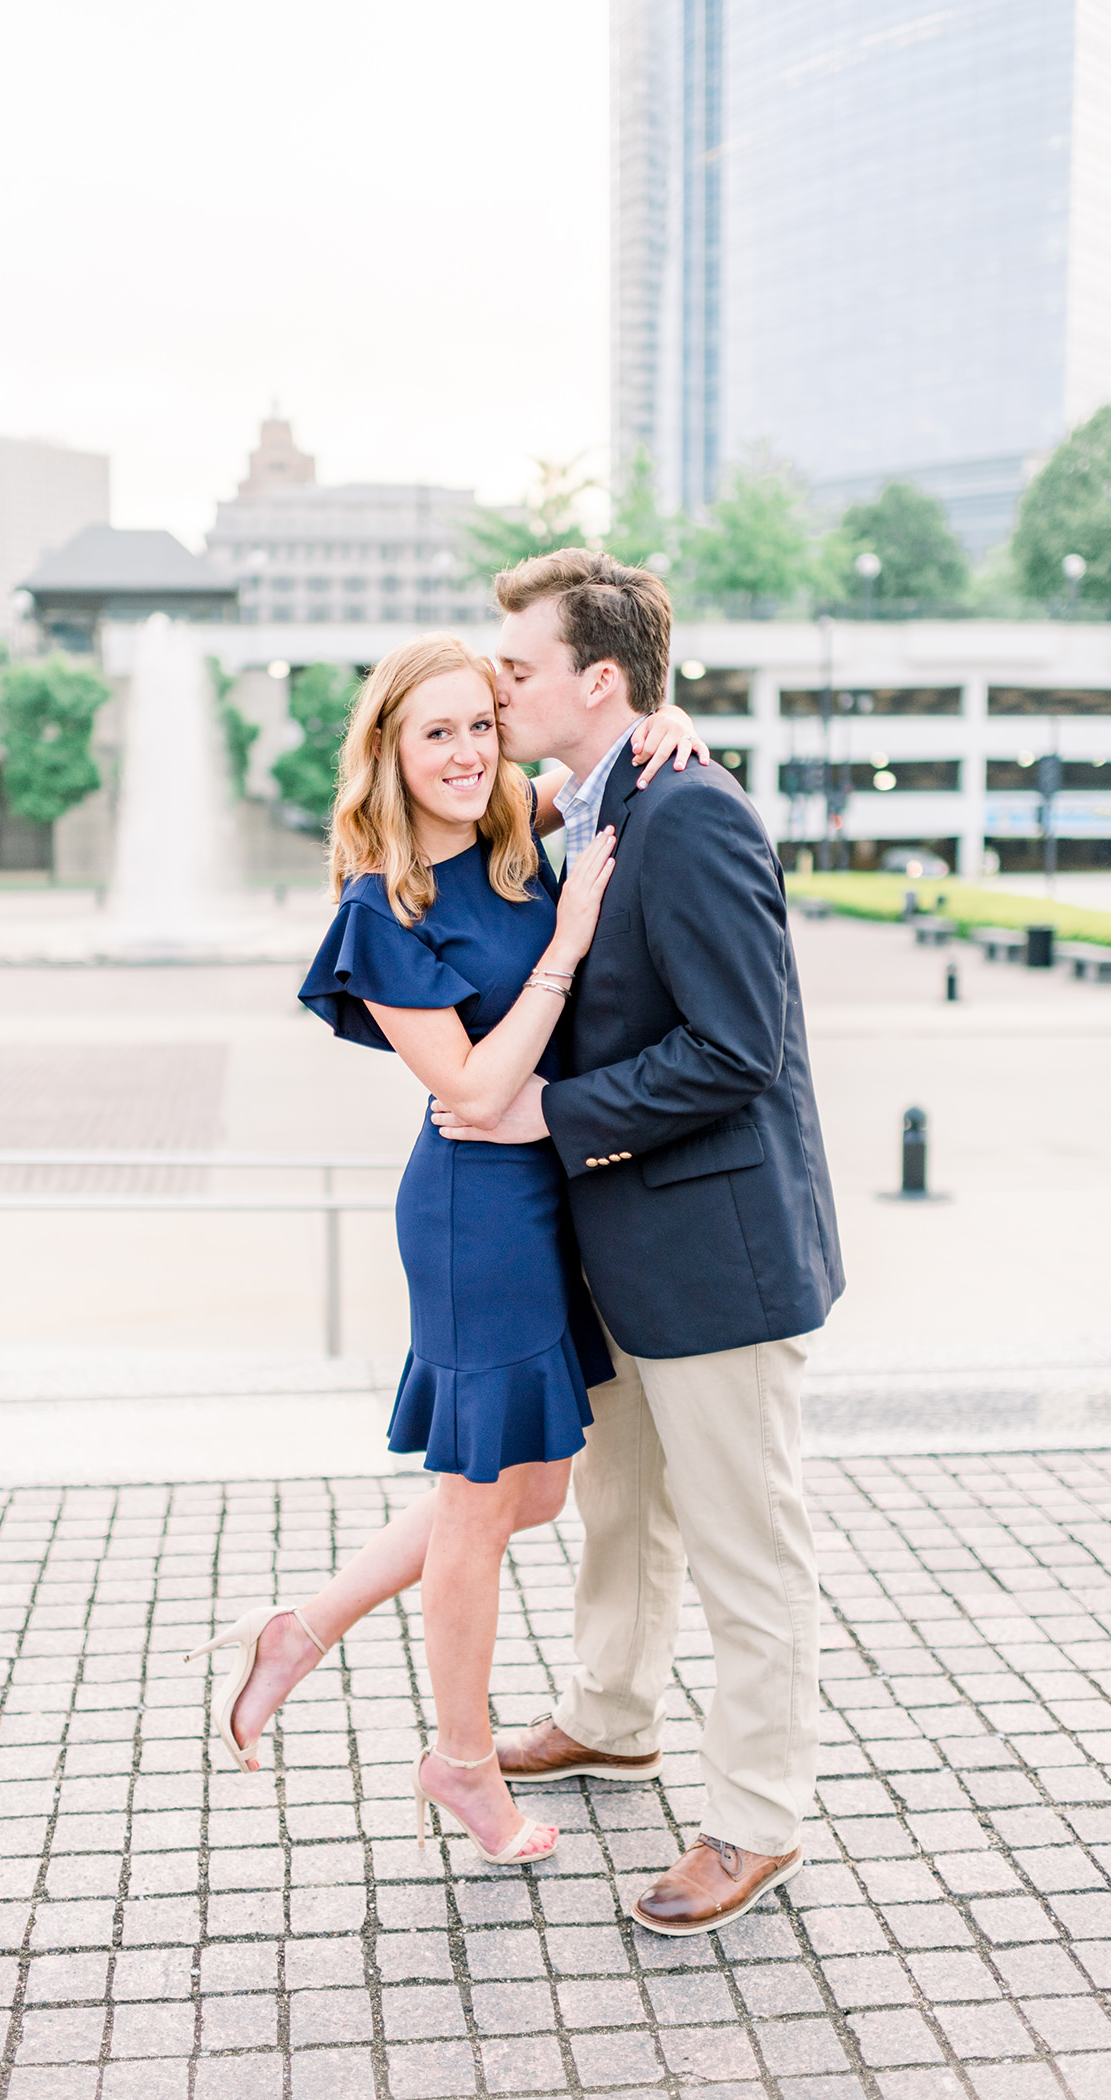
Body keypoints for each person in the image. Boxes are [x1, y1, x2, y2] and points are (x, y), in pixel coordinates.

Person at [184, 632, 706, 1868]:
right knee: (481, 1508)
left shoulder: (514, 817)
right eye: (438, 734)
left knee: (533, 1487)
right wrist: (568, 943)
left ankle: (300, 1629)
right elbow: (470, 1086)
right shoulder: (383, 909)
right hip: (477, 1212)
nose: (470, 752)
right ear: (388, 751)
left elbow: (610, 755)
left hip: (552, 1194)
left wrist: (674, 727)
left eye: (482, 723)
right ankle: (461, 1768)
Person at [431, 547, 844, 1934]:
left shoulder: (691, 815)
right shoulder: (583, 798)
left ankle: (755, 1819)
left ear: (600, 681)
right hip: (622, 1255)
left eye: (522, 666)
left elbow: (741, 1048)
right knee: (621, 1511)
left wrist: (555, 1112)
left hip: (716, 1258)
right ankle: (610, 1718)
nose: (497, 686)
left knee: (746, 1548)